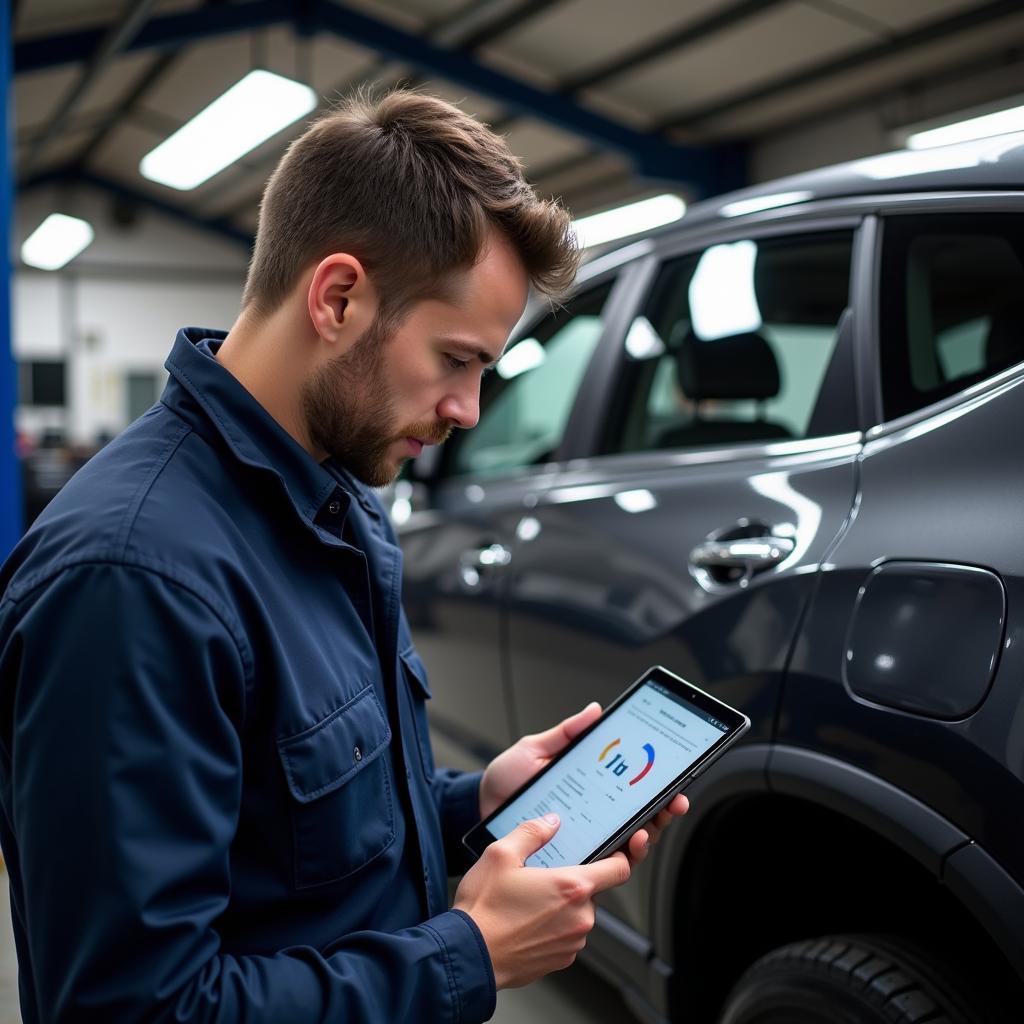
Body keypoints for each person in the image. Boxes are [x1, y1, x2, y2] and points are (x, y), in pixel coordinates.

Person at [0, 89, 687, 1022]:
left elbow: (300, 842)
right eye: (456, 359)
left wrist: (475, 802)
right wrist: (465, 955)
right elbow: (133, 1009)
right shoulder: (133, 582)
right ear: (338, 297)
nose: (468, 412)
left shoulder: (334, 500)